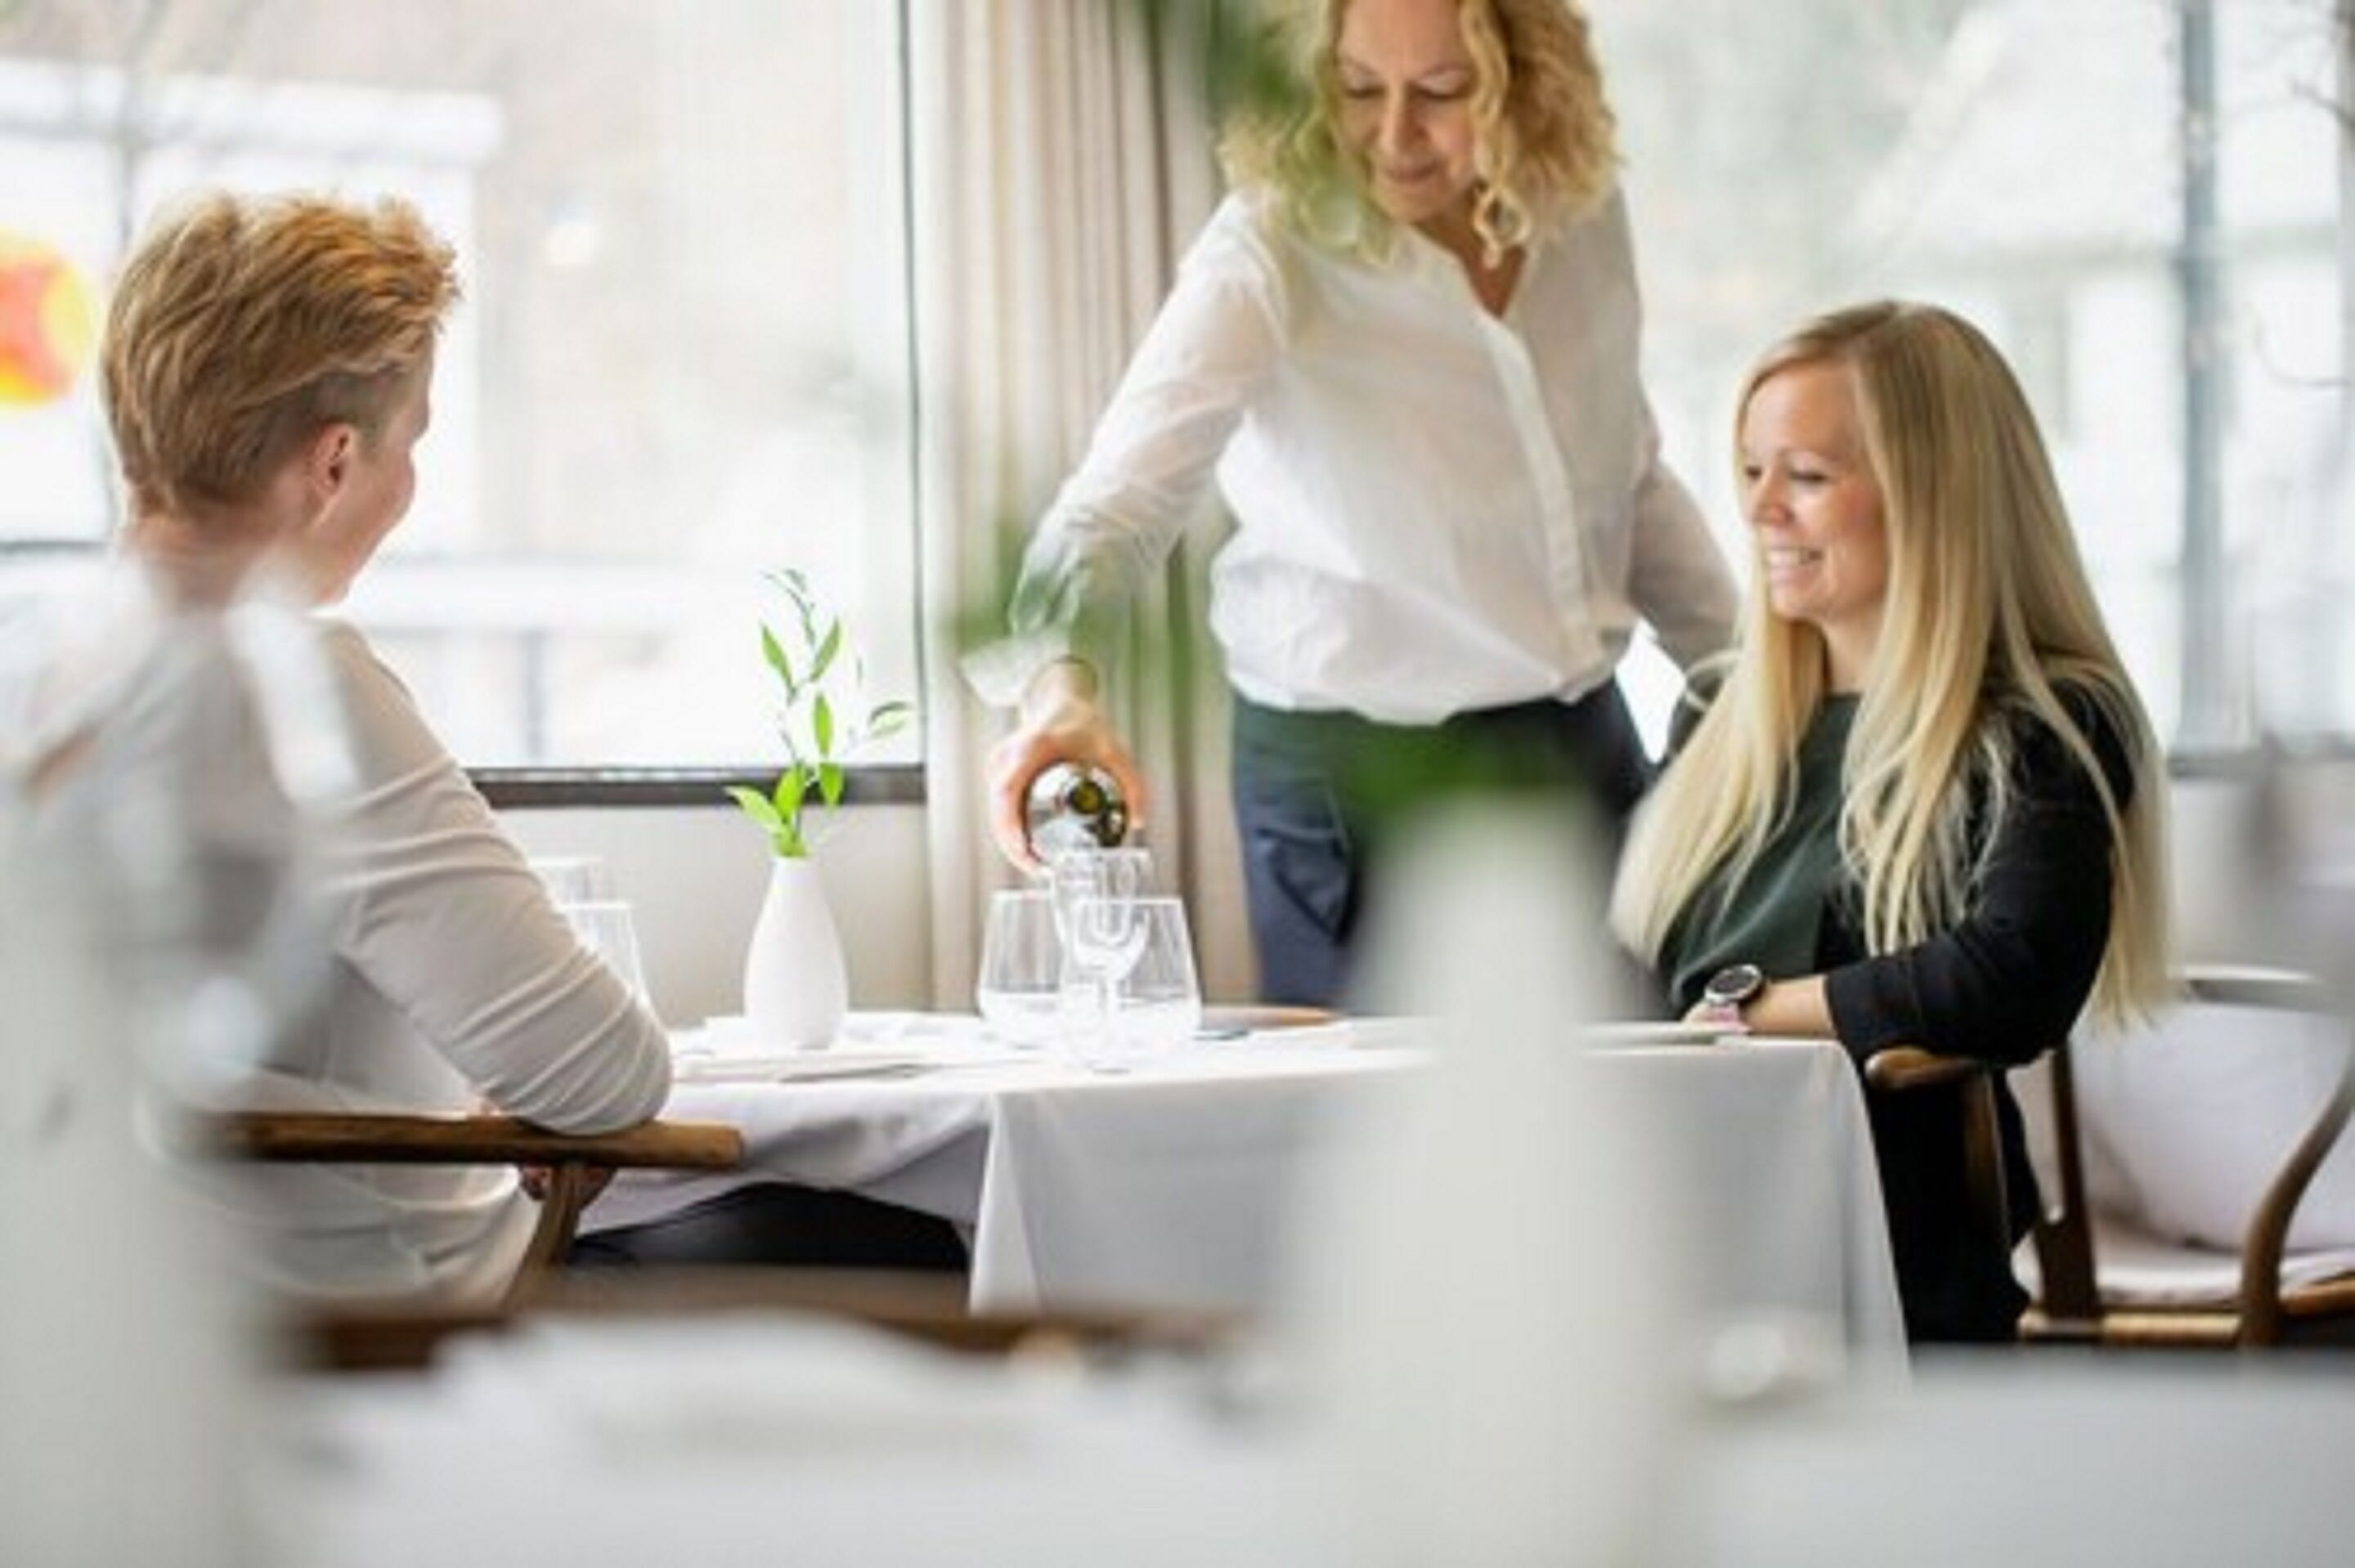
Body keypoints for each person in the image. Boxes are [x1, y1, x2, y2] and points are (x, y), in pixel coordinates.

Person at [983, 0, 1737, 1005]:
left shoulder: (1581, 214)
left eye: (1441, 92)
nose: (1394, 135)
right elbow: (1107, 514)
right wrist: (1061, 698)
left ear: (1523, 78)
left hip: (1570, 744)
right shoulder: (1268, 254)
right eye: (1358, 90)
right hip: (1349, 779)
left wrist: (1750, 680)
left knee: (1628, 1112)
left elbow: (1625, 478)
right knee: (1382, 1140)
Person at [0, 190, 679, 1306]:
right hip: (362, 1309)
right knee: (858, 1232)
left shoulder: (31, 667)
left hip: (95, 1314)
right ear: (332, 463)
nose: (405, 486)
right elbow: (604, 1071)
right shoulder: (297, 686)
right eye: (410, 445)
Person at [1608, 300, 2172, 1343]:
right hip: (1655, 1221)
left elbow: (2015, 974)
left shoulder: (2047, 718)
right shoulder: (1714, 715)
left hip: (1885, 1243)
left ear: (1936, 498)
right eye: (1750, 472)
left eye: (1809, 477)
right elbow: (1616, 971)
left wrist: (1754, 1010)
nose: (1763, 511)